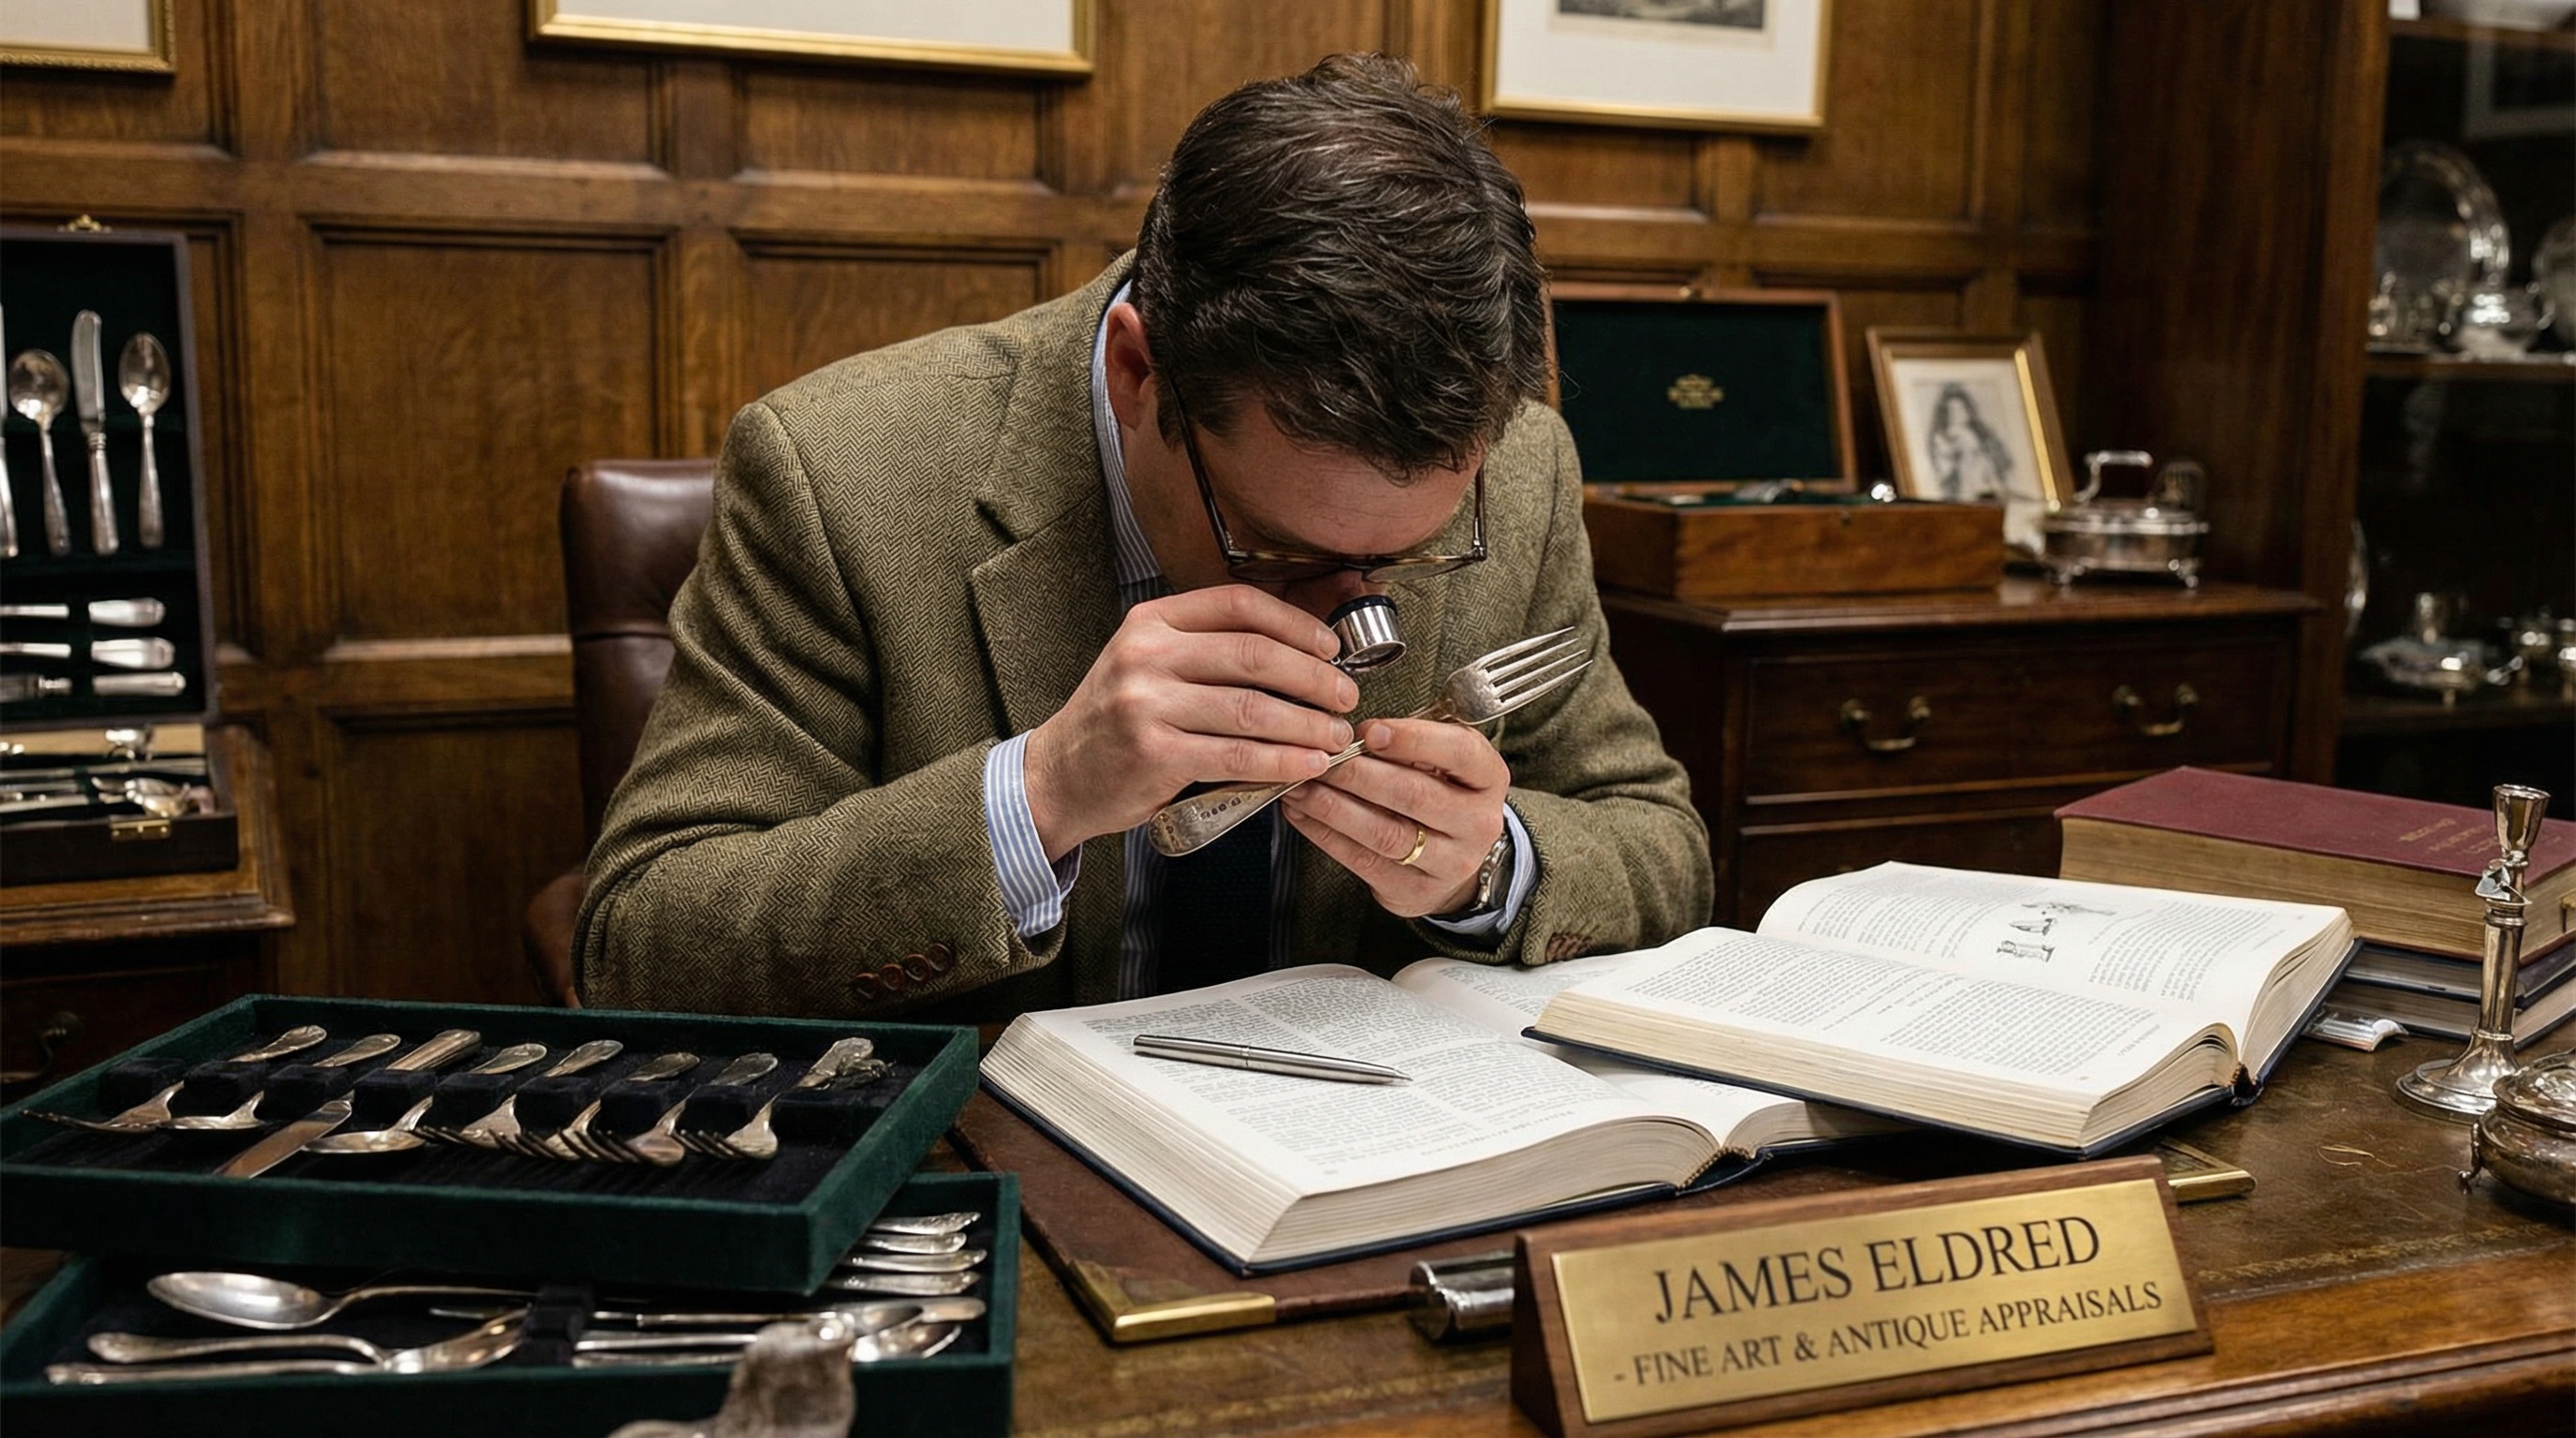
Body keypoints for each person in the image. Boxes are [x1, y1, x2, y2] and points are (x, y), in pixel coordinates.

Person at [573, 54, 1713, 1021]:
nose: (1350, 612)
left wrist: (1486, 866)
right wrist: (1041, 794)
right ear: (1135, 371)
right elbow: (642, 943)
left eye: (1413, 547)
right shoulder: (839, 472)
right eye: (1273, 545)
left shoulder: (1521, 467)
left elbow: (1660, 848)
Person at [1925, 383, 2013, 503]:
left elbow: (2000, 458)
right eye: (1953, 410)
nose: (1958, 414)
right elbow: (1944, 468)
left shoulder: (1980, 432)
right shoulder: (1943, 436)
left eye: (1961, 409)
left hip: (1986, 477)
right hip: (1964, 483)